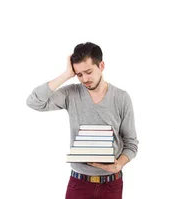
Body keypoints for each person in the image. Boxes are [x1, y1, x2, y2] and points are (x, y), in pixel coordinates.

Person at [26, 42, 138, 199]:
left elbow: (131, 143)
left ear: (102, 66)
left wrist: (119, 164)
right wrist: (66, 74)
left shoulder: (121, 98)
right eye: (79, 74)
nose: (84, 79)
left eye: (88, 72)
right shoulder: (71, 94)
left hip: (111, 185)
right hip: (79, 183)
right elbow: (34, 102)